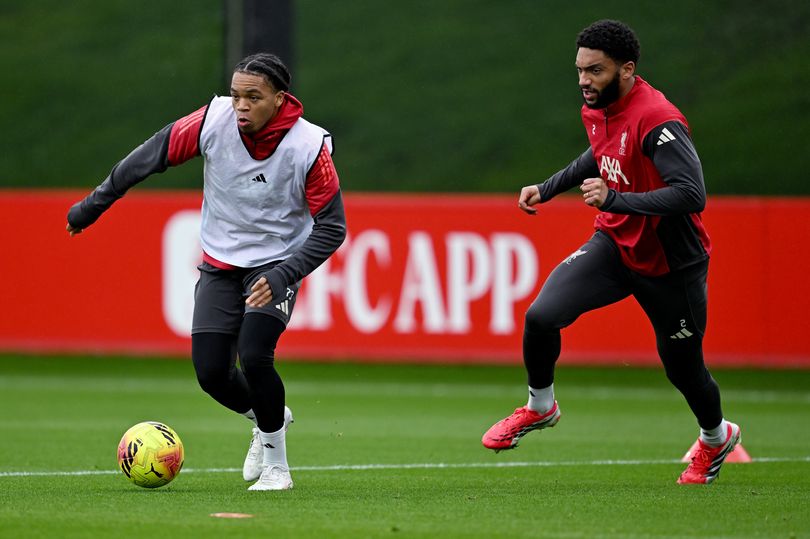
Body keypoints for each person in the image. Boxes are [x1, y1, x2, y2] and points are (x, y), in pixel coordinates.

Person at [66, 53, 347, 491]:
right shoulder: (212, 120)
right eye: (236, 95)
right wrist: (94, 204)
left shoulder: (309, 146)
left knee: (255, 354)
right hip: (220, 263)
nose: (241, 105)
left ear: (279, 99)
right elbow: (150, 155)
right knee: (211, 373)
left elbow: (332, 228)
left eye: (253, 97)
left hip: (275, 265)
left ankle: (277, 468)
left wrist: (283, 275)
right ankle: (269, 418)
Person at [481, 20, 740, 485]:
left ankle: (717, 438)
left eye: (595, 71)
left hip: (670, 264)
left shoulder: (658, 119)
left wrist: (616, 200)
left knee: (684, 369)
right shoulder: (599, 106)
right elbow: (601, 153)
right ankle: (541, 408)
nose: (584, 80)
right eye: (580, 70)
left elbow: (691, 194)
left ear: (627, 69)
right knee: (541, 317)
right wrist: (549, 187)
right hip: (615, 244)